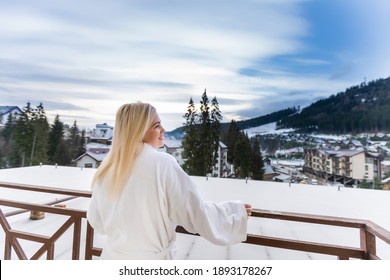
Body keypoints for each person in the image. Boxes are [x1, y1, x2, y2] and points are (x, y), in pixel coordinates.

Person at [87, 102, 252, 260]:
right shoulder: (162, 164)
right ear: (139, 130)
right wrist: (233, 213)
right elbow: (194, 212)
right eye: (156, 125)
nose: (163, 129)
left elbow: (97, 222)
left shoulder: (108, 168)